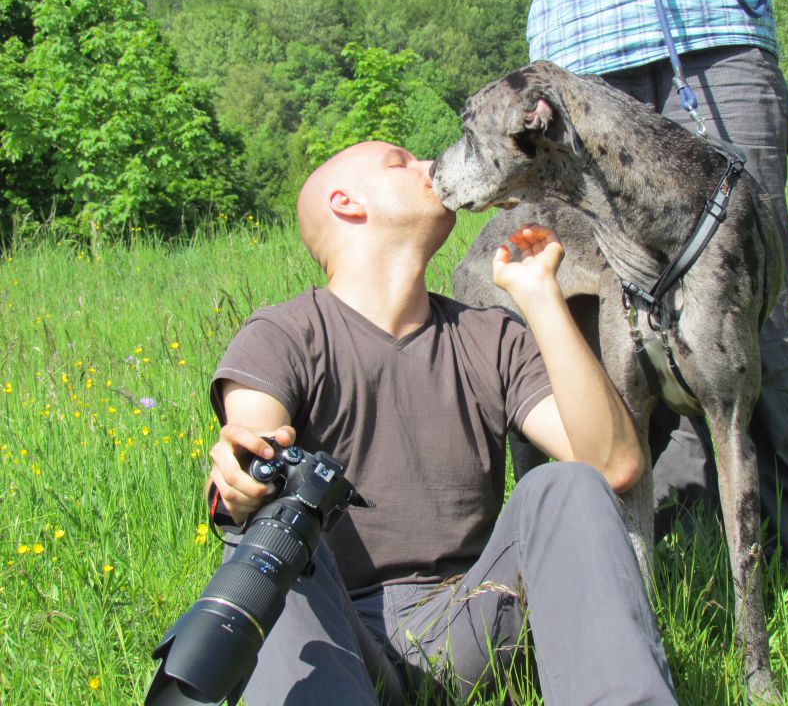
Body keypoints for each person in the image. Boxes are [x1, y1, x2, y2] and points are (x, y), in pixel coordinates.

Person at [206, 141, 678, 705]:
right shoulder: (284, 334)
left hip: (473, 620)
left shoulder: (491, 336)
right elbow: (248, 448)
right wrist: (239, 478)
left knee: (566, 484)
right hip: (338, 638)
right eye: (400, 162)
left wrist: (541, 297)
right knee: (273, 535)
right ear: (346, 202)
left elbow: (615, 465)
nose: (433, 165)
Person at [527, 0, 788, 578]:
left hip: (714, 37)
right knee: (608, 336)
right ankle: (629, 570)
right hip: (576, 59)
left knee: (760, 325)